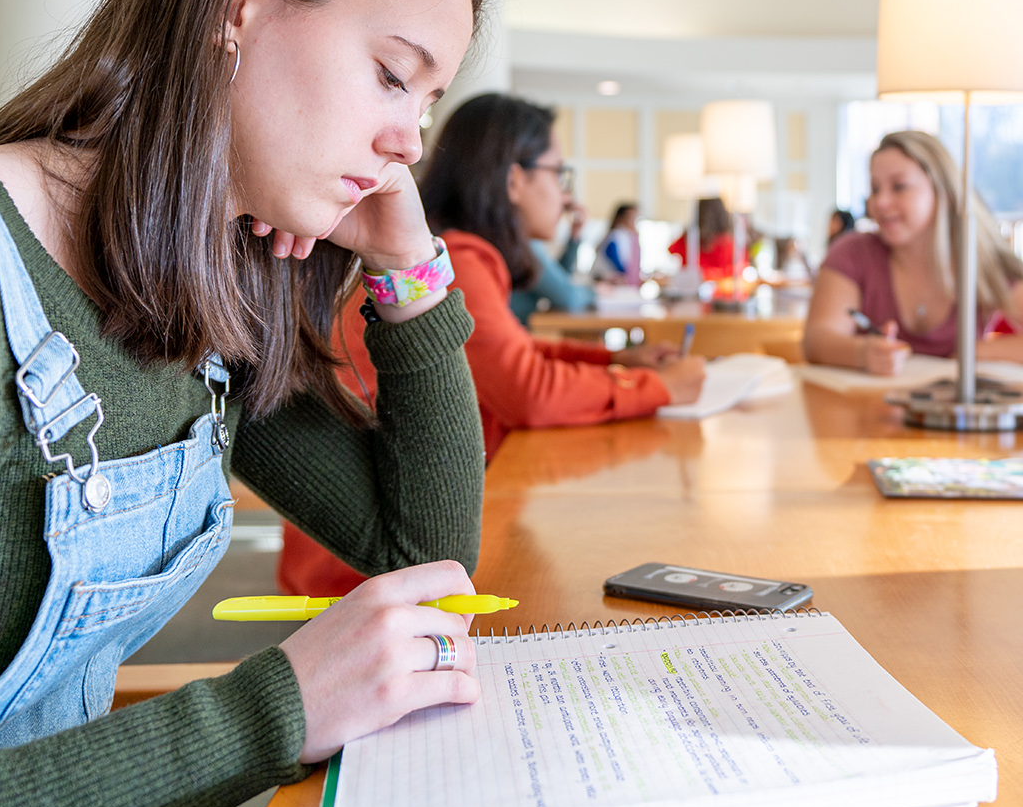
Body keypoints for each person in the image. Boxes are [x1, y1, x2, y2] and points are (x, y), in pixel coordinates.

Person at [0, 0, 490, 807]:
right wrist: (270, 713)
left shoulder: (202, 295)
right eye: (390, 74)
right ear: (240, 1)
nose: (410, 141)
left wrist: (410, 272)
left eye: (429, 101)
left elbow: (426, 559)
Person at [278, 93, 706, 597]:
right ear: (515, 180)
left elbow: (511, 355)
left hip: (391, 538)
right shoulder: (458, 259)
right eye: (559, 173)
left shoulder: (463, 254)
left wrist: (614, 359)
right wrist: (654, 386)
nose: (567, 196)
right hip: (365, 566)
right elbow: (528, 391)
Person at [803, 130, 1023, 374]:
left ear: (942, 190)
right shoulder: (851, 253)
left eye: (899, 187)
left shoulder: (983, 261)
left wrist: (971, 353)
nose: (880, 202)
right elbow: (817, 341)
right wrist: (862, 353)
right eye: (875, 189)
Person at [509, 197, 595, 324]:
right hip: (523, 335)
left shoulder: (524, 241)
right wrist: (594, 292)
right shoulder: (522, 243)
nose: (561, 214)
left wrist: (574, 237)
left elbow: (558, 281)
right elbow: (567, 297)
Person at [668, 195, 737, 280]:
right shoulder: (728, 241)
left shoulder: (688, 238)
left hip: (691, 287)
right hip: (718, 289)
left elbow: (671, 249)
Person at [592, 201, 642, 284]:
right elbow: (611, 254)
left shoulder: (626, 236)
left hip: (614, 280)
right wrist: (626, 273)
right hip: (607, 279)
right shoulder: (616, 235)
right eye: (631, 217)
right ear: (621, 218)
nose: (634, 221)